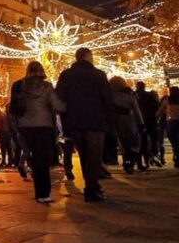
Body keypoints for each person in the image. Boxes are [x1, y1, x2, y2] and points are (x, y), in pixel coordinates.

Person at [55, 48, 113, 203]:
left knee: (85, 155)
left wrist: (65, 121)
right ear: (88, 57)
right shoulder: (99, 75)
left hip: (75, 122)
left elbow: (60, 99)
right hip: (95, 121)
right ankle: (92, 189)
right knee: (94, 156)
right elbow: (107, 100)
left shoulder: (66, 75)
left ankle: (91, 187)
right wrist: (109, 120)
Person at [9, 61, 66, 203]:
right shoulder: (46, 87)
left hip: (25, 127)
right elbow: (57, 106)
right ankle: (43, 193)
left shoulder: (18, 86)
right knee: (43, 159)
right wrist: (67, 105)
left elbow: (13, 109)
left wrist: (16, 125)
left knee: (34, 157)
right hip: (43, 126)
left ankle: (38, 191)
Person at [108, 77, 144, 175]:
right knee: (134, 144)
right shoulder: (129, 96)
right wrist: (141, 123)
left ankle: (126, 162)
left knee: (123, 145)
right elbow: (137, 111)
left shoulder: (110, 96)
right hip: (130, 122)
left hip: (116, 123)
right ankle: (130, 163)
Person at [134, 82, 161, 168]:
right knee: (150, 141)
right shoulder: (149, 96)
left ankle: (139, 162)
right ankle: (148, 160)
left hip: (138, 121)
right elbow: (156, 106)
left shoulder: (134, 95)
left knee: (139, 143)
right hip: (149, 121)